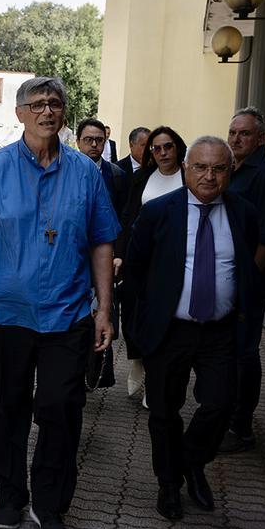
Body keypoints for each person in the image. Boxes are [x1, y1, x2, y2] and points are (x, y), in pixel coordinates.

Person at [0, 77, 119, 529]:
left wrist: (104, 309)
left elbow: (103, 242)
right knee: (7, 409)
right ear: (21, 113)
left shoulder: (87, 173)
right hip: (5, 317)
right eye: (38, 104)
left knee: (61, 406)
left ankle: (50, 504)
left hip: (67, 316)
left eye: (55, 104)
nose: (48, 111)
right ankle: (10, 495)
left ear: (64, 113)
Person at [124, 136, 259, 521]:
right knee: (164, 412)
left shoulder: (243, 213)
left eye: (218, 168)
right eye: (200, 167)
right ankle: (169, 485)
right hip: (169, 331)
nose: (209, 176)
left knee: (220, 404)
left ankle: (191, 461)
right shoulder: (158, 213)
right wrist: (138, 328)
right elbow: (135, 273)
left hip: (219, 330)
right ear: (186, 168)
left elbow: (250, 265)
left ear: (229, 172)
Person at [220, 107, 265, 454]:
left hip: (249, 282)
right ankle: (227, 416)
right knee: (229, 350)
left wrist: (244, 283)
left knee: (243, 352)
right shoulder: (233, 170)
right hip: (229, 277)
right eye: (233, 133)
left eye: (244, 134)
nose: (236, 139)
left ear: (260, 138)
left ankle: (241, 427)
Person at [117, 126, 188, 406]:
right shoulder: (142, 178)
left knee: (167, 321)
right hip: (141, 260)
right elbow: (127, 218)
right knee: (135, 315)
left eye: (167, 146)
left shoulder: (188, 177)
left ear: (178, 147)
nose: (162, 153)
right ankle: (139, 362)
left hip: (175, 261)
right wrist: (120, 253)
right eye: (156, 148)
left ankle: (156, 380)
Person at [76, 118, 127, 391]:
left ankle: (95, 370)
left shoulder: (116, 176)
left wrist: (119, 254)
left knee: (100, 312)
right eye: (88, 140)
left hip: (106, 257)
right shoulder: (68, 171)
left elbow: (123, 219)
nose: (94, 145)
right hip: (76, 256)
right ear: (78, 141)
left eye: (99, 140)